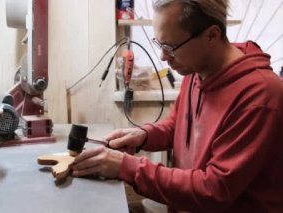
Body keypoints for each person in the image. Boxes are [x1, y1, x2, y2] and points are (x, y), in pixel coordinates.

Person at [72, 0, 283, 212]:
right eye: (160, 44)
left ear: (211, 35)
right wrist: (144, 136)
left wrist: (125, 167)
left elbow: (215, 189)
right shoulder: (197, 68)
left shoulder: (260, 96)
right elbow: (177, 124)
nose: (164, 57)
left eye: (171, 47)